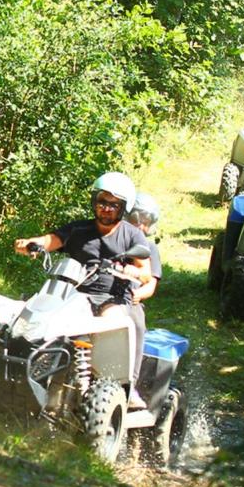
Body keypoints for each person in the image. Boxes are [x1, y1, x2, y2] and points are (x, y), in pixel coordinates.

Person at [14, 171, 152, 409]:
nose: (106, 209)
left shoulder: (132, 235)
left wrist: (132, 272)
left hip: (114, 298)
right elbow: (53, 239)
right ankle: (37, 371)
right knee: (45, 318)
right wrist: (31, 243)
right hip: (76, 294)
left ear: (123, 208)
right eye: (102, 202)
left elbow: (145, 271)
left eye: (113, 205)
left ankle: (123, 386)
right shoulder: (79, 229)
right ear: (93, 202)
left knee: (110, 324)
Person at [124, 191, 163, 397]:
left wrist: (138, 294)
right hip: (97, 293)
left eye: (146, 222)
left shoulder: (148, 248)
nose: (140, 226)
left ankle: (131, 382)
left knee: (137, 325)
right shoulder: (115, 237)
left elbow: (151, 284)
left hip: (127, 299)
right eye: (136, 219)